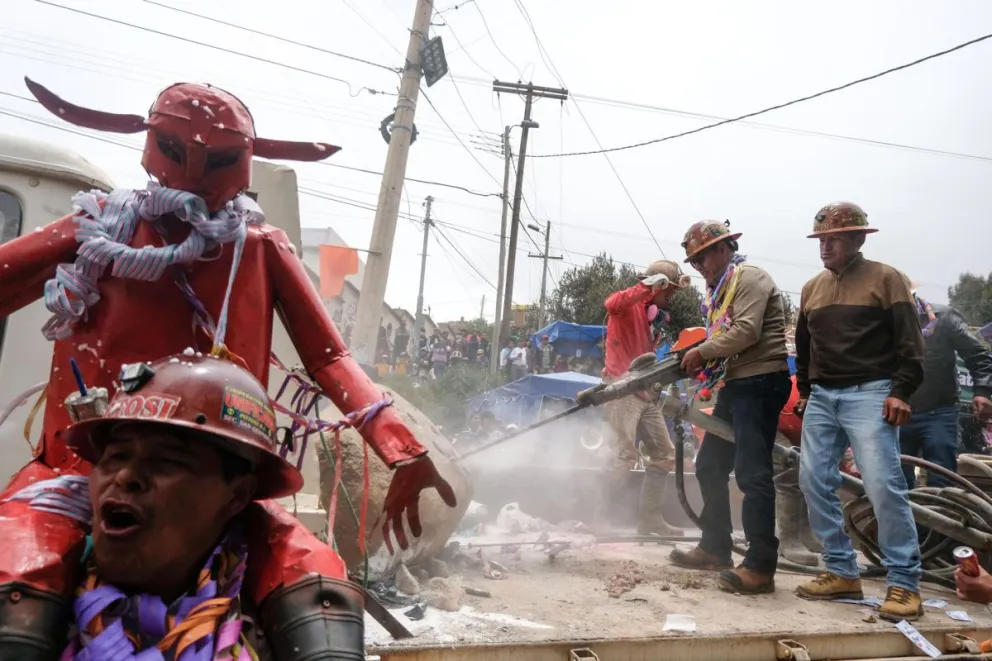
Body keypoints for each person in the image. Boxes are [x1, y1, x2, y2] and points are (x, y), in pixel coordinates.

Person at [0, 78, 455, 651]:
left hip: (215, 468)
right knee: (19, 558)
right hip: (77, 464)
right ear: (151, 142)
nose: (193, 169)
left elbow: (329, 355)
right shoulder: (97, 229)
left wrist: (401, 447)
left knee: (312, 576)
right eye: (176, 149)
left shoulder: (259, 246)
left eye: (215, 158)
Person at [8, 353, 365, 659]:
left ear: (237, 496)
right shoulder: (38, 617)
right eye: (115, 456)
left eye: (167, 461)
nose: (126, 477)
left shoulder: (269, 638)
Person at [794, 201, 925, 621]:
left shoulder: (886, 279)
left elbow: (910, 344)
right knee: (812, 479)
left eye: (833, 239)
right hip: (824, 397)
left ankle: (904, 583)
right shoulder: (811, 288)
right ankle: (841, 570)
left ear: (857, 239)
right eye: (821, 240)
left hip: (872, 393)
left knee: (883, 485)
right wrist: (806, 390)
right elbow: (804, 346)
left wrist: (901, 391)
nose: (825, 247)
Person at [669, 221, 791, 596]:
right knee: (709, 465)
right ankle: (715, 547)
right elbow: (723, 335)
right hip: (737, 384)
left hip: (761, 382)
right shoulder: (719, 289)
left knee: (752, 473)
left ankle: (760, 566)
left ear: (724, 249)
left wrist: (702, 351)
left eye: (702, 257)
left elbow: (746, 331)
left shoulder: (749, 278)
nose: (699, 266)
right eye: (693, 262)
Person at [587, 259, 691, 537]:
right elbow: (611, 303)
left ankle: (650, 521)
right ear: (657, 286)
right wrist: (647, 286)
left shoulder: (649, 317)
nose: (670, 298)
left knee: (664, 454)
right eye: (668, 291)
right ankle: (597, 519)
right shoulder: (626, 305)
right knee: (624, 455)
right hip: (621, 390)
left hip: (644, 393)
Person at [899, 285, 992, 488]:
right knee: (895, 480)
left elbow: (976, 354)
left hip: (939, 411)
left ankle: (940, 517)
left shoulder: (945, 317)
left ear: (913, 297)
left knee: (941, 478)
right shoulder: (881, 323)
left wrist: (982, 391)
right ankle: (903, 520)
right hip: (895, 412)